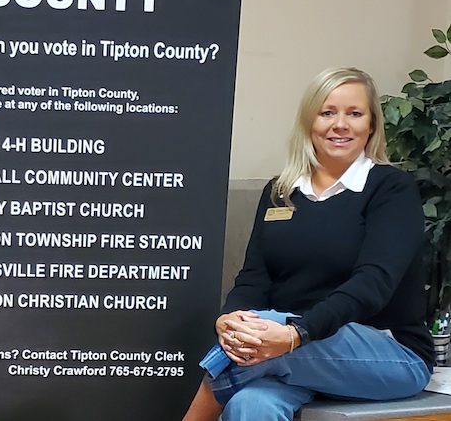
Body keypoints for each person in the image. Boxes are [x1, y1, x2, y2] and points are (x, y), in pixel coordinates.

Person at [182, 67, 434, 421]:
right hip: (290, 349)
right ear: (309, 122)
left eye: (354, 114)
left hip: (387, 352)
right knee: (249, 406)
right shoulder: (279, 192)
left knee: (261, 336)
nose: (340, 124)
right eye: (328, 112)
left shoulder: (391, 189)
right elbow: (254, 278)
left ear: (372, 125)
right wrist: (230, 318)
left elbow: (372, 285)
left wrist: (297, 333)